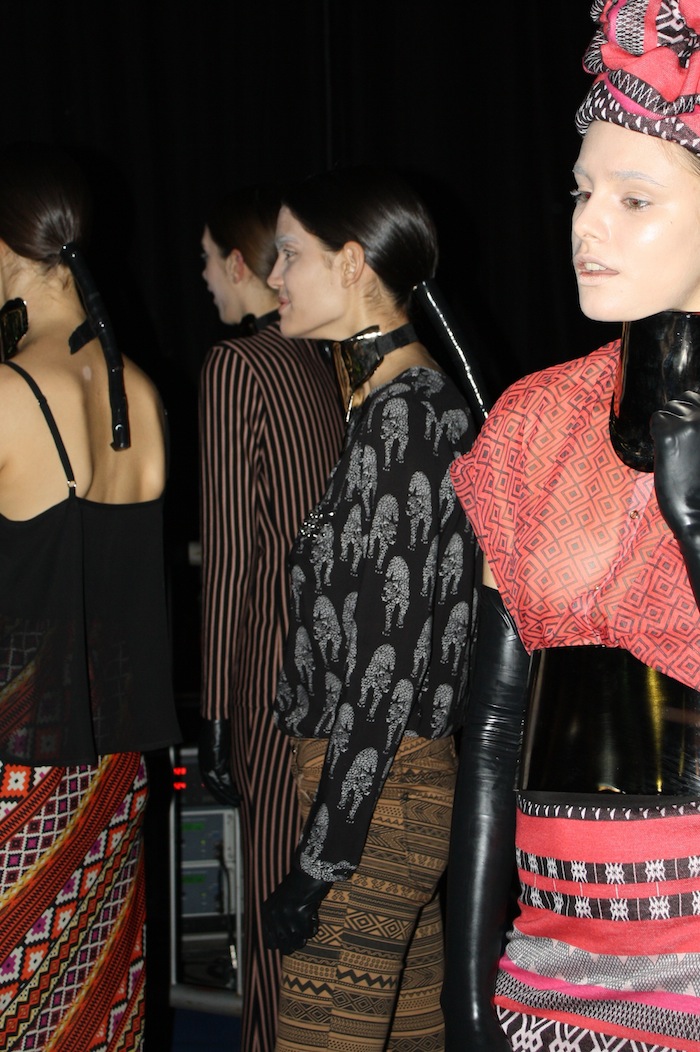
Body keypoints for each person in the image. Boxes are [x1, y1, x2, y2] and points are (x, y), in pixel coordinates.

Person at [442, 2, 700, 1050]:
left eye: (634, 199)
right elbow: (493, 730)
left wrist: (691, 527)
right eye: (583, 193)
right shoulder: (535, 421)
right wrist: (467, 990)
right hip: (552, 940)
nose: (588, 226)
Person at [260, 165, 478, 1051]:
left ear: (351, 263)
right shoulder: (395, 406)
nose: (273, 275)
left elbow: (384, 667)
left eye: (289, 253)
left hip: (371, 802)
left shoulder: (403, 419)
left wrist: (321, 862)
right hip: (390, 795)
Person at [0, 142, 181, 1049]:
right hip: (111, 772)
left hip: (16, 779)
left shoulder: (6, 392)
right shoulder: (138, 390)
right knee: (89, 1015)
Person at [197, 185, 344, 1052]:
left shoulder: (236, 365)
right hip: (337, 670)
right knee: (314, 906)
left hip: (268, 675)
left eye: (207, 263)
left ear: (238, 263)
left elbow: (231, 561)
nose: (204, 281)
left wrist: (216, 711)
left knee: (271, 906)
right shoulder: (319, 362)